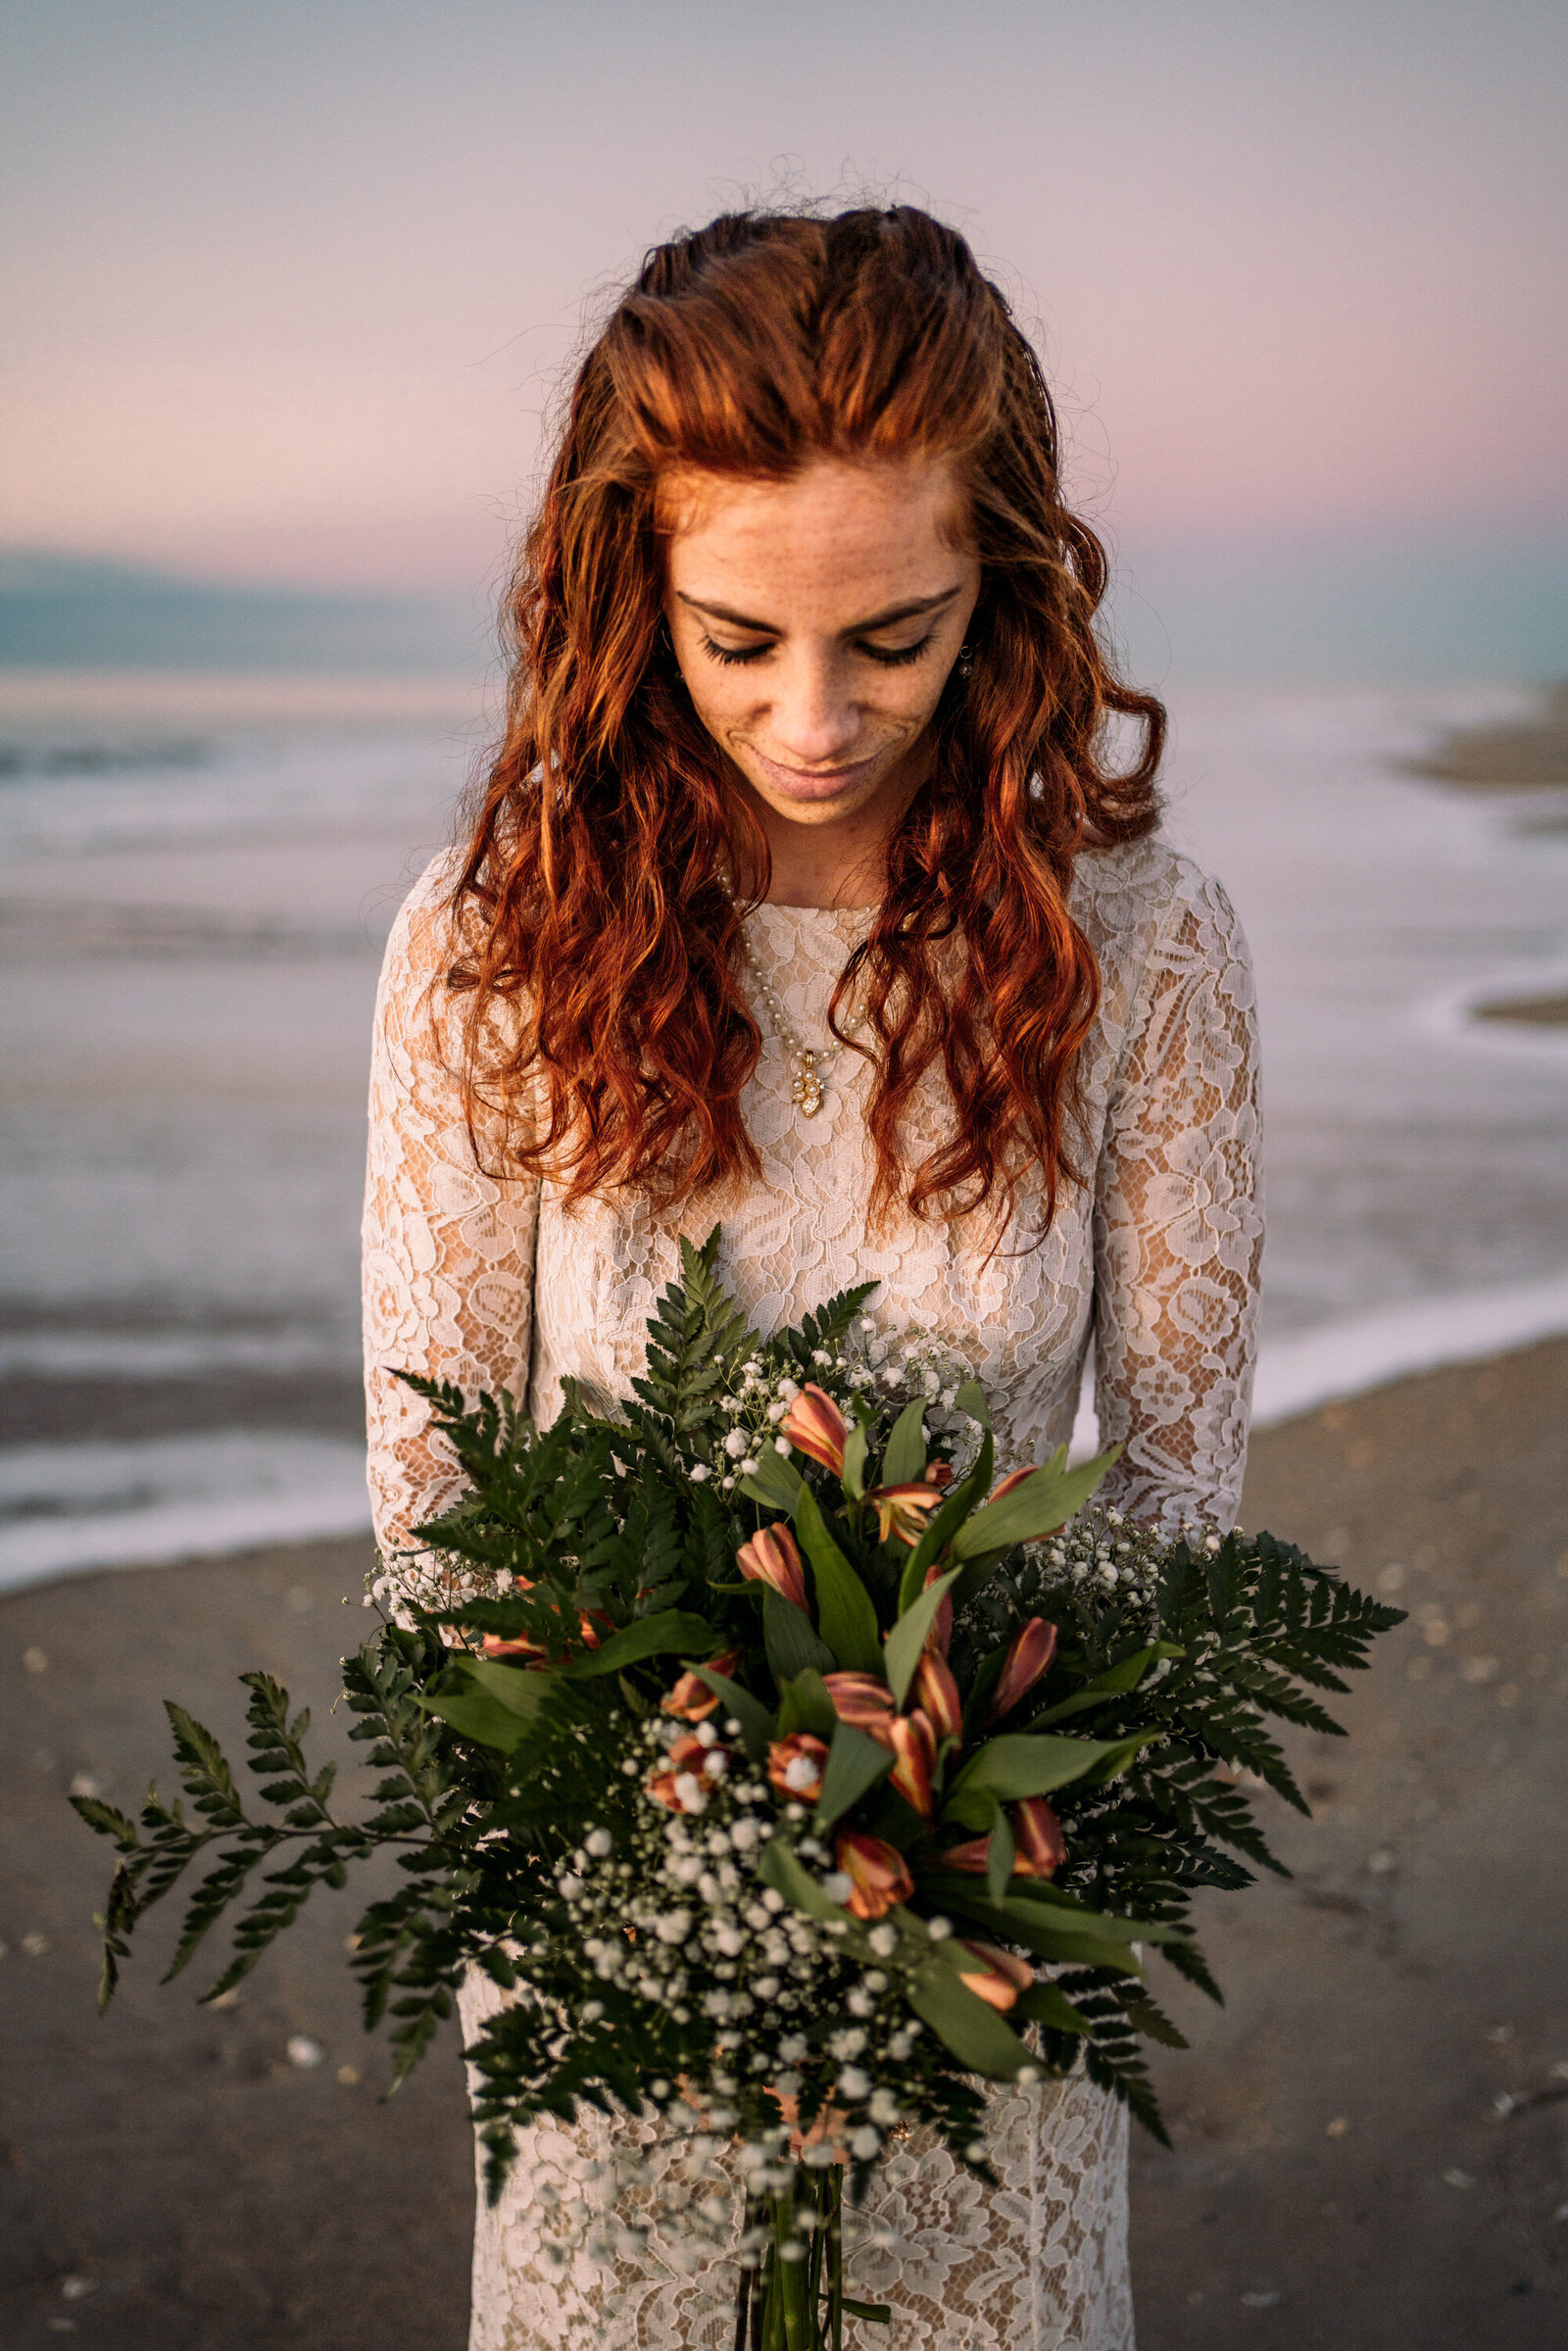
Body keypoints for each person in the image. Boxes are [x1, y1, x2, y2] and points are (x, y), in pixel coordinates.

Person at [362, 204, 1262, 2351]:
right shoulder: (492, 946)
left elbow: (1170, 1492)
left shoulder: (1143, 949)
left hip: (979, 1933)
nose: (814, 714)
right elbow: (435, 1503)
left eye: (893, 633)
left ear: (1007, 587)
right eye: (735, 634)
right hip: (610, 1938)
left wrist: (949, 1842)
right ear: (626, 589)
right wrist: (672, 1853)